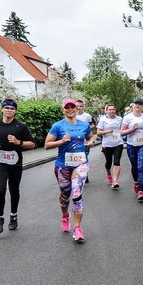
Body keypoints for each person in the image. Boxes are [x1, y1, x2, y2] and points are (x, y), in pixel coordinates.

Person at [44, 99, 95, 242]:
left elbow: (91, 137)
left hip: (81, 164)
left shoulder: (84, 125)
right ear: (63, 110)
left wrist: (91, 142)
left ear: (77, 109)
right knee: (65, 195)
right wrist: (61, 141)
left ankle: (78, 228)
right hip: (63, 165)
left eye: (73, 107)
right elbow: (47, 145)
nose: (71, 109)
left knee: (77, 194)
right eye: (67, 107)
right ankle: (65, 215)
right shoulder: (57, 126)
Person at [0, 97, 36, 233]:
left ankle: (13, 216)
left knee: (14, 190)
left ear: (16, 111)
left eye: (12, 108)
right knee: (0, 190)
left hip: (15, 163)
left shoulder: (21, 126)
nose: (9, 110)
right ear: (1, 109)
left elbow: (32, 144)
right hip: (0, 162)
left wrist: (18, 142)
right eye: (7, 108)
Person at [121, 97, 143, 201]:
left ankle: (141, 191)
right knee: (134, 166)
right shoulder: (127, 117)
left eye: (140, 104)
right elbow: (122, 132)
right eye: (136, 104)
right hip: (131, 144)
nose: (138, 105)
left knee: (140, 167)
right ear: (133, 105)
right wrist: (132, 129)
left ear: (142, 106)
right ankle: (136, 182)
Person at [95, 104, 124, 188]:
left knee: (117, 161)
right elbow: (98, 132)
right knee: (108, 162)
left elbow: (123, 128)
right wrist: (107, 131)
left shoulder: (120, 119)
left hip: (118, 143)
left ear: (115, 110)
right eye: (110, 109)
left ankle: (115, 181)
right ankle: (108, 172)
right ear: (106, 111)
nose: (112, 111)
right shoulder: (103, 120)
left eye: (113, 109)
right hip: (107, 144)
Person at [75, 100, 95, 183]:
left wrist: (87, 128)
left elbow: (93, 124)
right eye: (77, 106)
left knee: (84, 158)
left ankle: (84, 174)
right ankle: (80, 174)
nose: (79, 108)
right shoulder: (72, 116)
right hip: (75, 142)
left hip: (85, 142)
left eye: (80, 106)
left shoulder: (87, 116)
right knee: (76, 159)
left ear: (83, 107)